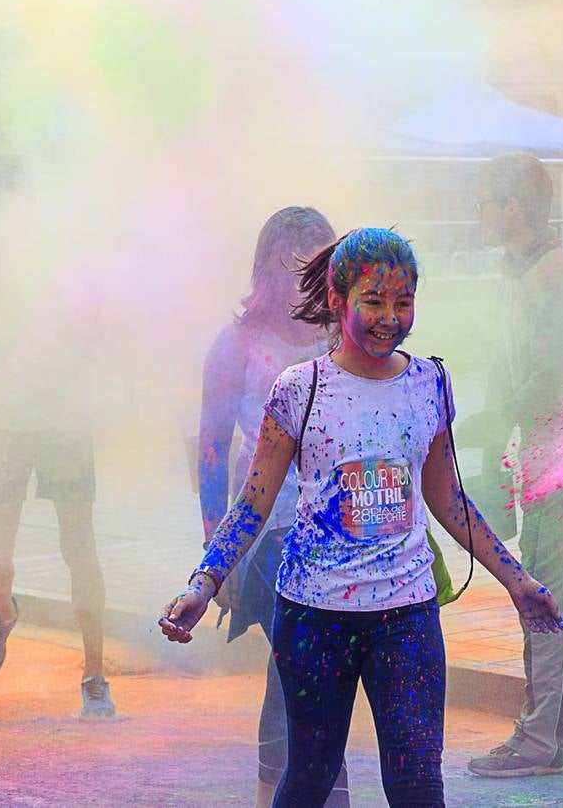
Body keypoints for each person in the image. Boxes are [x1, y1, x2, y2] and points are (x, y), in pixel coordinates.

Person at [160, 227, 563, 807]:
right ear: (338, 300)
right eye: (373, 302)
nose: (390, 318)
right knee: (311, 775)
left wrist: (517, 580)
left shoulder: (430, 382)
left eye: (404, 303)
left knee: (419, 785)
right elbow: (253, 503)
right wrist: (204, 582)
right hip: (314, 617)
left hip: (407, 616)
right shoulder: (300, 389)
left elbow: (447, 496)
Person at [463, 153, 563, 778]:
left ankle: (538, 739)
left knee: (544, 594)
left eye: (483, 202)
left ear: (513, 209)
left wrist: (476, 426)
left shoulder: (558, 278)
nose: (477, 213)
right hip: (555, 452)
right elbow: (509, 368)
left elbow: (546, 386)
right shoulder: (519, 273)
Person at [198, 207, 348, 807]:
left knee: (307, 671)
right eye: (298, 267)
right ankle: (310, 792)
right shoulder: (237, 344)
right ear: (268, 270)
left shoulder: (341, 335)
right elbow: (211, 451)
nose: (310, 280)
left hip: (337, 533)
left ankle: (296, 793)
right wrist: (216, 557)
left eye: (321, 266)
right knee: (301, 666)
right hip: (267, 535)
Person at [0, 234, 115, 719]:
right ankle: (5, 615)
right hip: (3, 424)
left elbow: (100, 351)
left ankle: (94, 677)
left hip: (64, 426)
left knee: (80, 549)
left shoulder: (72, 276)